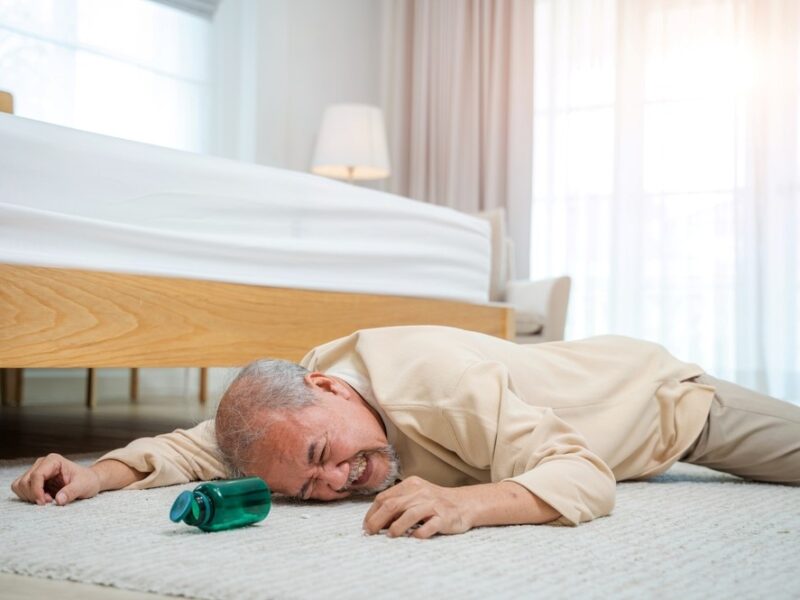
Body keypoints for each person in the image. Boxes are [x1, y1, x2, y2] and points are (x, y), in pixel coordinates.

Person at [11, 326, 800, 538]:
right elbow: (194, 446)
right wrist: (96, 474)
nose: (334, 483)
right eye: (308, 487)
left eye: (323, 457)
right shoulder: (302, 413)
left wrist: (469, 505)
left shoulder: (439, 388)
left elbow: (584, 474)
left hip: (665, 407)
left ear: (328, 388)